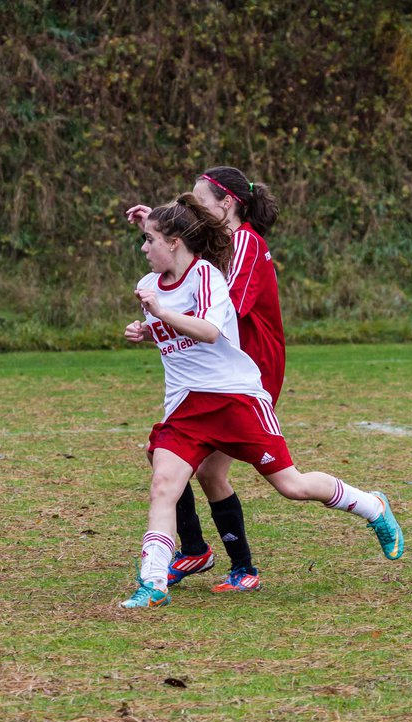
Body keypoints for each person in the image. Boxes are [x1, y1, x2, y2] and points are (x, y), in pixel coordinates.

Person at [119, 194, 403, 609]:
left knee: (293, 485)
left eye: (149, 240)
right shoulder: (148, 286)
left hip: (235, 400)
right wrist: (147, 331)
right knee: (163, 483)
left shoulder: (205, 276)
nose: (144, 249)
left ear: (175, 242)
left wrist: (160, 314)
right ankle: (153, 581)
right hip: (185, 408)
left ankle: (371, 504)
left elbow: (210, 331)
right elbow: (175, 335)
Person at [125, 167, 284, 593]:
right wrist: (157, 233)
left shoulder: (245, 243)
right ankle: (205, 553)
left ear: (225, 204)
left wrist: (165, 308)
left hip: (242, 376)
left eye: (196, 203)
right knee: (168, 459)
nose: (190, 208)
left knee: (220, 474)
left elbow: (217, 308)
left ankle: (232, 562)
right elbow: (188, 269)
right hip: (206, 377)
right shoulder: (213, 253)